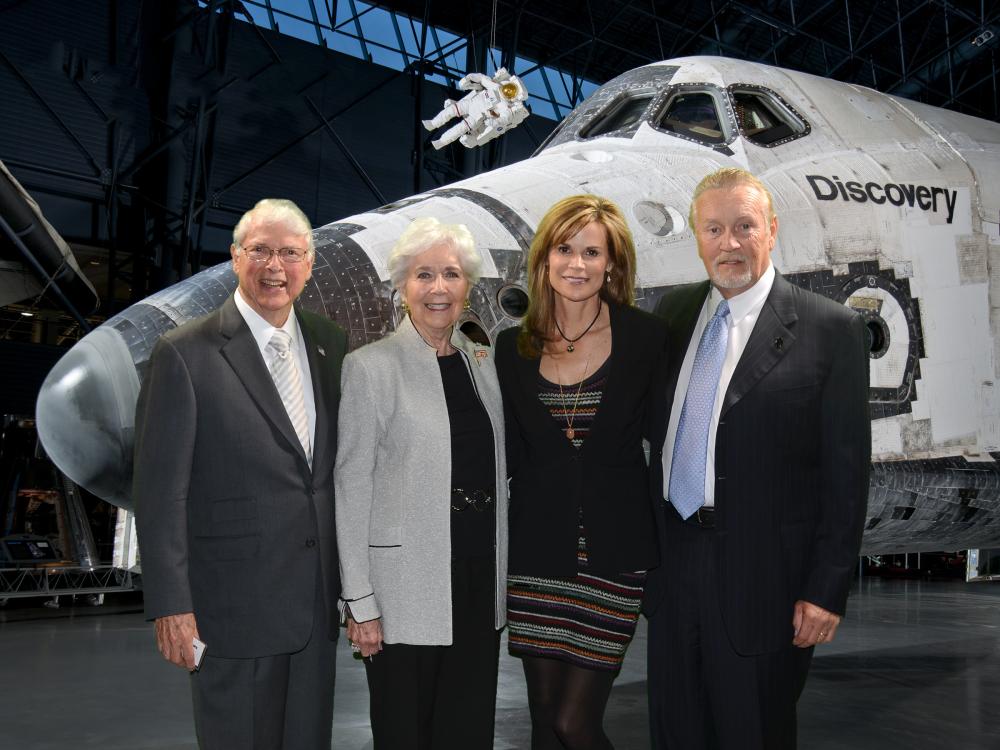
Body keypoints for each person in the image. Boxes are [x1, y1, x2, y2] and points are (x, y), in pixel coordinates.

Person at [645, 167, 870, 750]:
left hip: (767, 583)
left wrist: (826, 590)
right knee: (676, 733)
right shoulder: (673, 315)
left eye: (744, 226)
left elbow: (847, 476)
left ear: (771, 230)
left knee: (754, 733)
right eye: (713, 228)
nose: (729, 243)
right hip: (672, 570)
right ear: (696, 237)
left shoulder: (831, 330)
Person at [133, 198, 348, 749]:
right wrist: (172, 605)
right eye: (260, 251)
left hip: (314, 608)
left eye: (290, 253)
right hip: (231, 610)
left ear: (310, 262)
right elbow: (160, 495)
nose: (275, 266)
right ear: (234, 258)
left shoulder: (331, 344)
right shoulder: (184, 353)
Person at [495, 195, 669, 749]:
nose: (576, 264)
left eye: (591, 252)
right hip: (536, 556)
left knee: (576, 722)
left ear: (612, 263)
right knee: (545, 719)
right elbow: (511, 456)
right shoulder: (510, 348)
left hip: (613, 558)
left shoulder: (646, 340)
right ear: (544, 258)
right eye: (564, 248)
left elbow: (665, 443)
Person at [335, 217, 508, 749]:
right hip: (403, 588)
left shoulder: (482, 362)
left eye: (451, 275)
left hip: (478, 580)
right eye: (424, 275)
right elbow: (351, 482)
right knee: (406, 731)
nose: (438, 289)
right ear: (402, 287)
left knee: (467, 728)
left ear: (468, 287)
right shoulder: (371, 367)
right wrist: (359, 600)